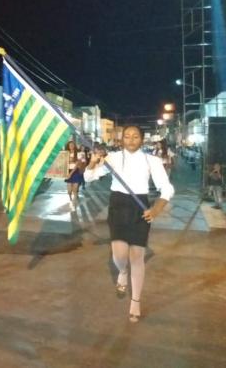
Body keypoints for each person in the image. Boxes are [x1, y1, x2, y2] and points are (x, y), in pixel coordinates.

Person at [84, 125, 174, 323]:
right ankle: (122, 272)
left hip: (140, 207)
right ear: (122, 139)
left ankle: (136, 301)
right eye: (127, 136)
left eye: (135, 136)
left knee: (137, 255)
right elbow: (88, 177)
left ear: (142, 139)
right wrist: (92, 163)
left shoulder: (152, 160)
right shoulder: (113, 158)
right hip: (118, 206)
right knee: (119, 254)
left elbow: (166, 188)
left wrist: (157, 209)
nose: (131, 140)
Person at [65, 141, 85, 211]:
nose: (71, 146)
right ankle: (70, 200)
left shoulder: (79, 154)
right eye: (70, 145)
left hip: (76, 172)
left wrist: (70, 174)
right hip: (67, 171)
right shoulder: (65, 154)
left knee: (75, 190)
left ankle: (74, 204)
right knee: (69, 191)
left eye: (72, 145)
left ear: (75, 146)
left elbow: (78, 164)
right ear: (68, 146)